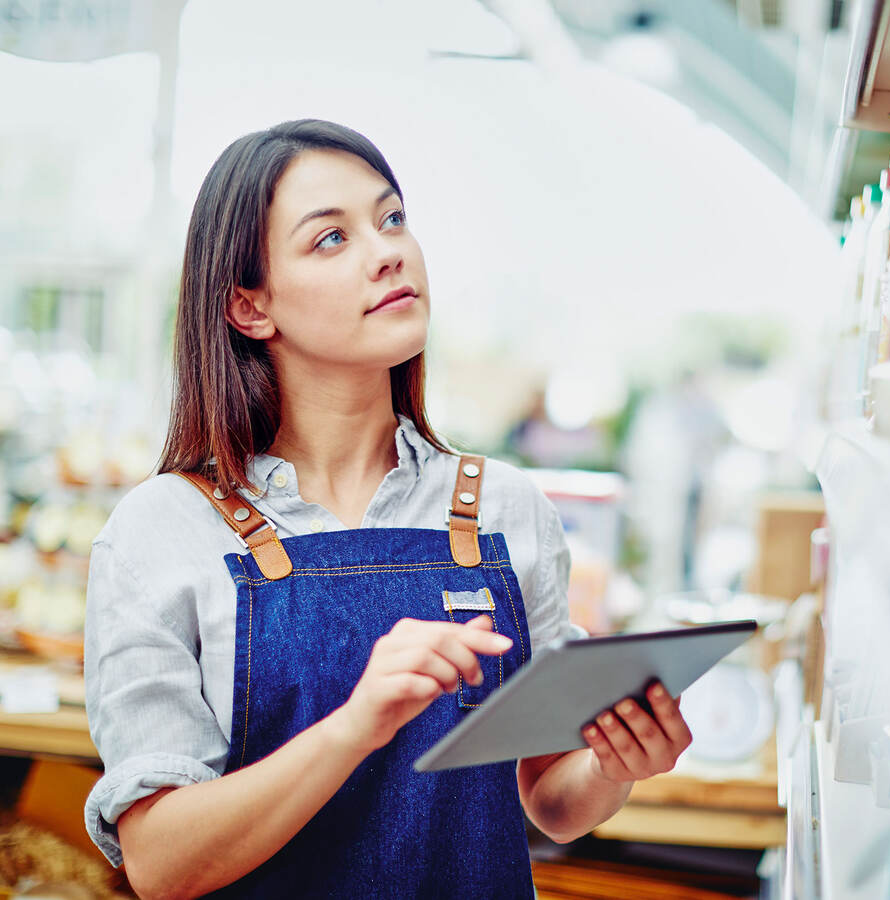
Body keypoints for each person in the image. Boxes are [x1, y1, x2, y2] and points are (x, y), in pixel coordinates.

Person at [83, 119, 693, 899]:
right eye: (331, 239)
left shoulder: (507, 510)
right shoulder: (161, 532)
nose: (388, 251)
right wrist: (354, 727)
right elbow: (163, 864)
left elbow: (551, 799)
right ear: (248, 306)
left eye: (392, 218)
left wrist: (617, 763)